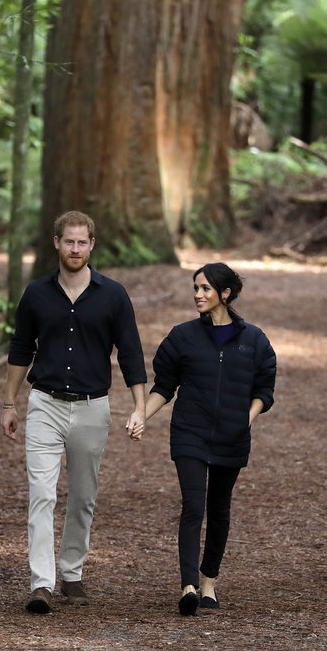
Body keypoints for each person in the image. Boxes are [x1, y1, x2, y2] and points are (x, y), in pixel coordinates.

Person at [1, 210, 147, 615]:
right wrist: (8, 402)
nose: (76, 249)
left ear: (92, 245)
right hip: (44, 403)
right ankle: (42, 583)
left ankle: (72, 572)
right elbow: (19, 349)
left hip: (91, 408)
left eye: (83, 242)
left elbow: (131, 352)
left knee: (83, 497)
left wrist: (139, 406)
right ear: (56, 244)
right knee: (42, 494)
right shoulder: (36, 294)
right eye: (69, 242)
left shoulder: (113, 295)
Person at [136, 262, 276, 616]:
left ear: (225, 293)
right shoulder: (182, 337)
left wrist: (245, 418)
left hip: (232, 437)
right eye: (195, 288)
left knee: (219, 509)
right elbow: (164, 386)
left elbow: (264, 389)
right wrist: (141, 414)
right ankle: (188, 586)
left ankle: (209, 581)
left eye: (205, 289)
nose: (197, 294)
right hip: (190, 433)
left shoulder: (254, 340)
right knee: (193, 505)